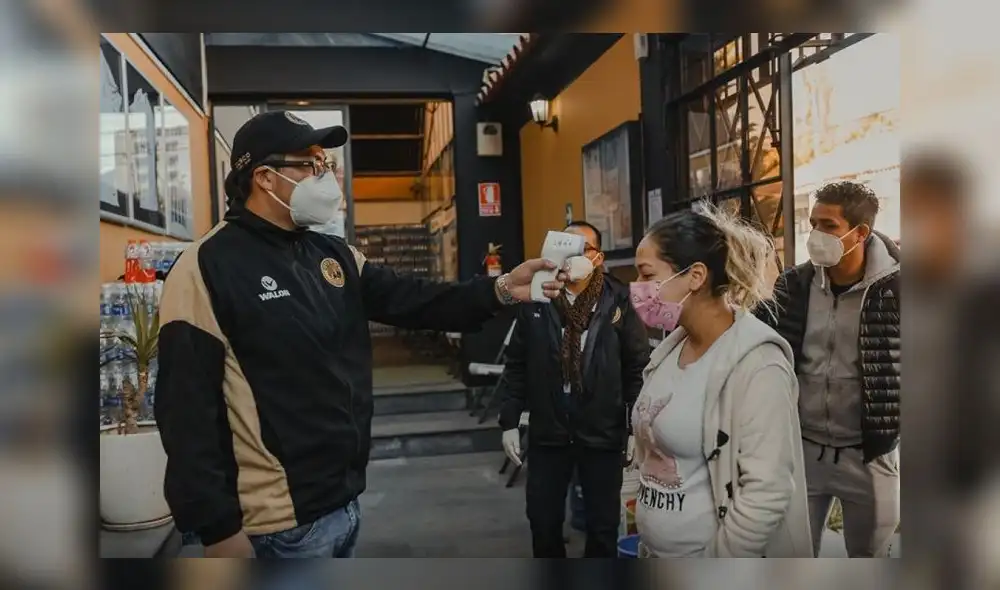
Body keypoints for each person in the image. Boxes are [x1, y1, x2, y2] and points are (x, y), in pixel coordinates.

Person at [155, 110, 567, 559]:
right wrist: (219, 531)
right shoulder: (205, 267)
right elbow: (185, 413)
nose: (324, 175)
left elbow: (415, 299)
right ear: (265, 178)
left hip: (342, 502)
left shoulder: (332, 254)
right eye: (310, 164)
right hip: (273, 525)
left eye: (326, 163)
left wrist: (502, 289)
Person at [630, 204, 812, 558]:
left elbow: (766, 492)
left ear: (696, 276)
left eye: (647, 275)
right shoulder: (668, 352)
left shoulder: (757, 364)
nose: (637, 289)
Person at [756, 180, 900, 557]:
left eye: (829, 225)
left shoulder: (900, 289)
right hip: (801, 451)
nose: (816, 234)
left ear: (860, 233)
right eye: (814, 223)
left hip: (869, 454)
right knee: (790, 559)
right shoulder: (794, 284)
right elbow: (760, 344)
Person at [498, 221, 650, 557]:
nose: (574, 256)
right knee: (543, 521)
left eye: (584, 249)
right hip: (549, 431)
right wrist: (509, 420)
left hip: (602, 429)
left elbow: (636, 367)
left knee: (602, 525)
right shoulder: (538, 297)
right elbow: (517, 364)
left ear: (598, 258)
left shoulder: (619, 300)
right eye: (567, 248)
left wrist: (633, 426)